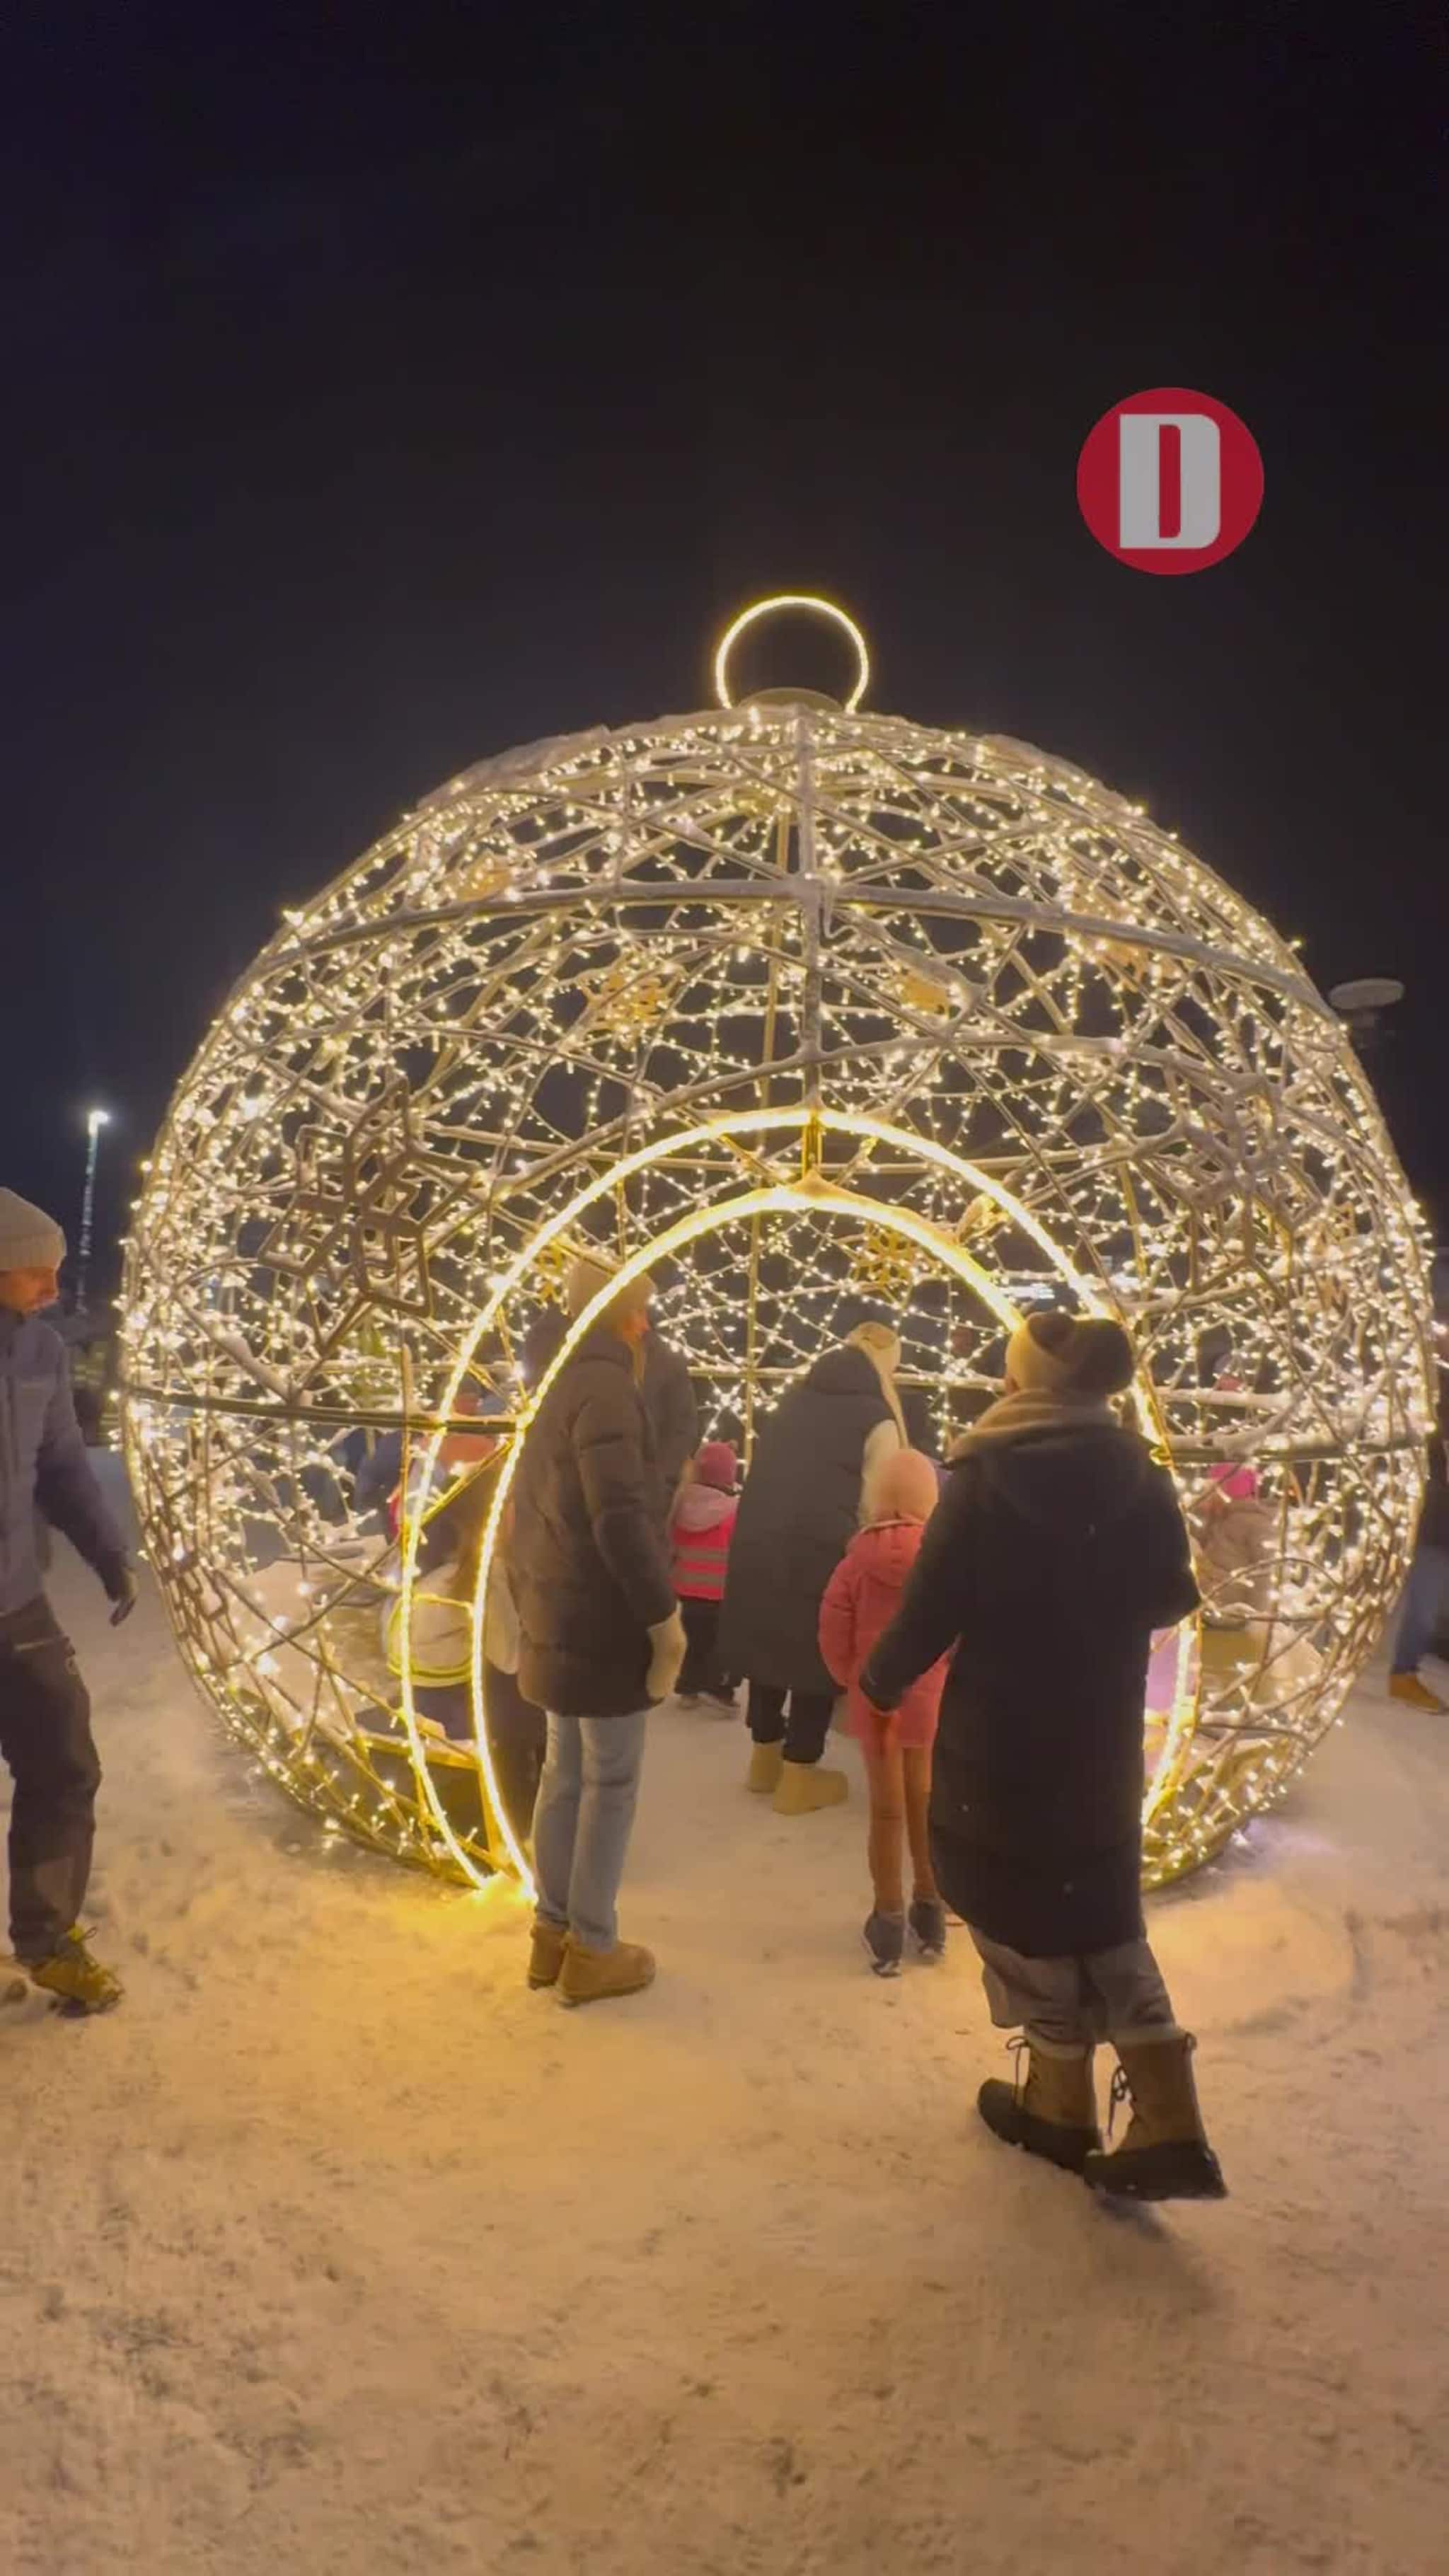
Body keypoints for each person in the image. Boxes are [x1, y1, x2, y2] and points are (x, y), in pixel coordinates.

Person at [861, 1309, 1225, 2204]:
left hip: (1003, 1744)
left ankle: (1058, 2102)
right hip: (1097, 1740)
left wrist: (878, 1678)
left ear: (1021, 1380)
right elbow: (1170, 1594)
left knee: (1016, 1917)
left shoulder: (985, 1477)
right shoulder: (1138, 1473)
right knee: (1101, 1914)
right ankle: (1168, 2121)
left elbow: (929, 1607)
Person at [509, 1254, 685, 2004]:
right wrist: (662, 1617)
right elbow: (620, 1518)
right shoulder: (607, 1387)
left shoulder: (552, 1381)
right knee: (608, 1780)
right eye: (635, 1310)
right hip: (601, 1620)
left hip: (555, 1610)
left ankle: (551, 1932)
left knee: (564, 1774)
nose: (644, 1324)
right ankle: (592, 1947)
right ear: (616, 1315)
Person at [0, 1191, 137, 2013]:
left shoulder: (42, 1351)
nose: (53, 1289)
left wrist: (108, 1553)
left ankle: (48, 1941)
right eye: (35, 1273)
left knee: (64, 1759)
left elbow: (62, 1467)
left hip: (15, 1601)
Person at [720, 1321, 905, 1815]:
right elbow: (878, 1502)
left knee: (768, 1642)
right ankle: (800, 1770)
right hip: (823, 1550)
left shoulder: (792, 1401)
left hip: (758, 1539)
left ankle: (764, 1757)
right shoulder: (877, 1417)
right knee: (815, 1654)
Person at [381, 1393, 545, 1841]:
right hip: (448, 1679)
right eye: (513, 1504)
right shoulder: (483, 1571)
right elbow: (508, 1655)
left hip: (418, 1667)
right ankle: (514, 1825)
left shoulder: (439, 1535)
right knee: (517, 1716)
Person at [818, 1447, 949, 1975]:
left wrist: (849, 1677)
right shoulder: (940, 1560)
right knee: (926, 1801)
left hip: (875, 1701)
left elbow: (833, 1628)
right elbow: (956, 1629)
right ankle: (931, 1910)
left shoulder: (853, 1564)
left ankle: (888, 1919)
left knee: (886, 1810)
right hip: (928, 1698)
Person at [1387, 1398, 1449, 1710]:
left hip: (1436, 1530)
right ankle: (1403, 1675)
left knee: (1427, 1610)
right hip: (1434, 1532)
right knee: (1424, 1611)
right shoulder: (1432, 1430)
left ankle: (1405, 1673)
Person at [669, 1440, 740, 1711]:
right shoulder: (733, 1509)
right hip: (719, 1589)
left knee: (692, 1638)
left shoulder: (680, 1504)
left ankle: (688, 1688)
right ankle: (717, 1687)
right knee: (718, 1641)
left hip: (686, 1587)